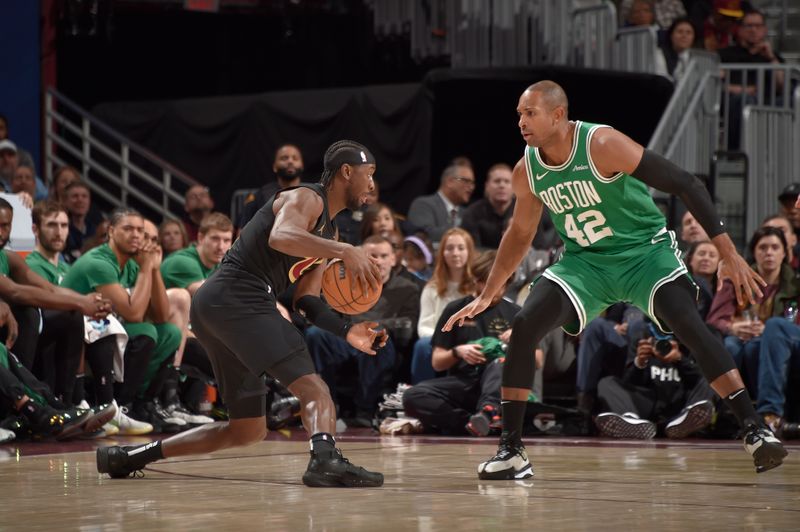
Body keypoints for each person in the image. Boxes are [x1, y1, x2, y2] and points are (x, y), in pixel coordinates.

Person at [443, 80, 786, 480]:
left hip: (645, 253)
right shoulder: (527, 169)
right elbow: (520, 234)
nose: (521, 121)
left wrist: (728, 251)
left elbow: (686, 183)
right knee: (523, 326)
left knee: (689, 324)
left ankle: (754, 428)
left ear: (558, 115)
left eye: (529, 113)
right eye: (519, 114)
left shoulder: (601, 144)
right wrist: (489, 293)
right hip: (586, 263)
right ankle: (512, 451)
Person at [96, 140, 387, 488]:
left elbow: (306, 301)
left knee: (246, 429)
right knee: (315, 390)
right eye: (368, 174)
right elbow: (281, 235)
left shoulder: (330, 232)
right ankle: (325, 459)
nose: (371, 184)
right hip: (239, 295)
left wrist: (347, 330)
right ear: (345, 172)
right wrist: (344, 250)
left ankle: (129, 457)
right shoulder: (307, 198)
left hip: (217, 306)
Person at [238, 143, 304, 229]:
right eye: (284, 158)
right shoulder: (261, 195)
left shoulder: (311, 193)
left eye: (295, 158)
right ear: (274, 167)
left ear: (302, 166)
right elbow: (242, 233)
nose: (290, 161)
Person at [407, 163, 475, 246]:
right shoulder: (423, 204)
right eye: (466, 181)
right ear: (450, 182)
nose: (471, 187)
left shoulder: (467, 214)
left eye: (472, 183)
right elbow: (425, 235)